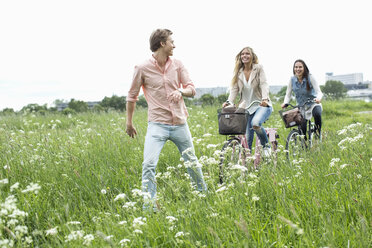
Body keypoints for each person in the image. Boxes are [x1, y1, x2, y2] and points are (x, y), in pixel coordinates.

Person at [126, 29, 207, 212]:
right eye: (171, 42)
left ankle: (203, 196)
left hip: (179, 123)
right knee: (148, 164)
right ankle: (149, 207)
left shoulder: (177, 64)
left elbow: (191, 89)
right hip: (157, 125)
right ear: (162, 43)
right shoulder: (141, 68)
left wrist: (181, 91)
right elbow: (131, 96)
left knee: (191, 161)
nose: (174, 45)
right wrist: (129, 123)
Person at [223, 46, 273, 156]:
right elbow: (234, 89)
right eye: (242, 54)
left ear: (252, 56)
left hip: (261, 105)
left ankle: (266, 146)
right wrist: (229, 102)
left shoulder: (258, 68)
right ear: (240, 57)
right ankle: (248, 166)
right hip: (247, 109)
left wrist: (264, 98)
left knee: (255, 123)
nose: (244, 56)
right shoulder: (238, 72)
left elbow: (264, 84)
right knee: (247, 141)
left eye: (247, 54)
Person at [281, 59, 323, 138]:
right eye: (296, 67)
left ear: (304, 68)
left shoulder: (310, 77)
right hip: (301, 107)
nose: (298, 69)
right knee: (302, 130)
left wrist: (318, 98)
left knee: (317, 114)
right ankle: (305, 146)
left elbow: (319, 92)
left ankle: (318, 133)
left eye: (300, 67)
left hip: (313, 103)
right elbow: (288, 95)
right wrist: (285, 102)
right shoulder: (292, 80)